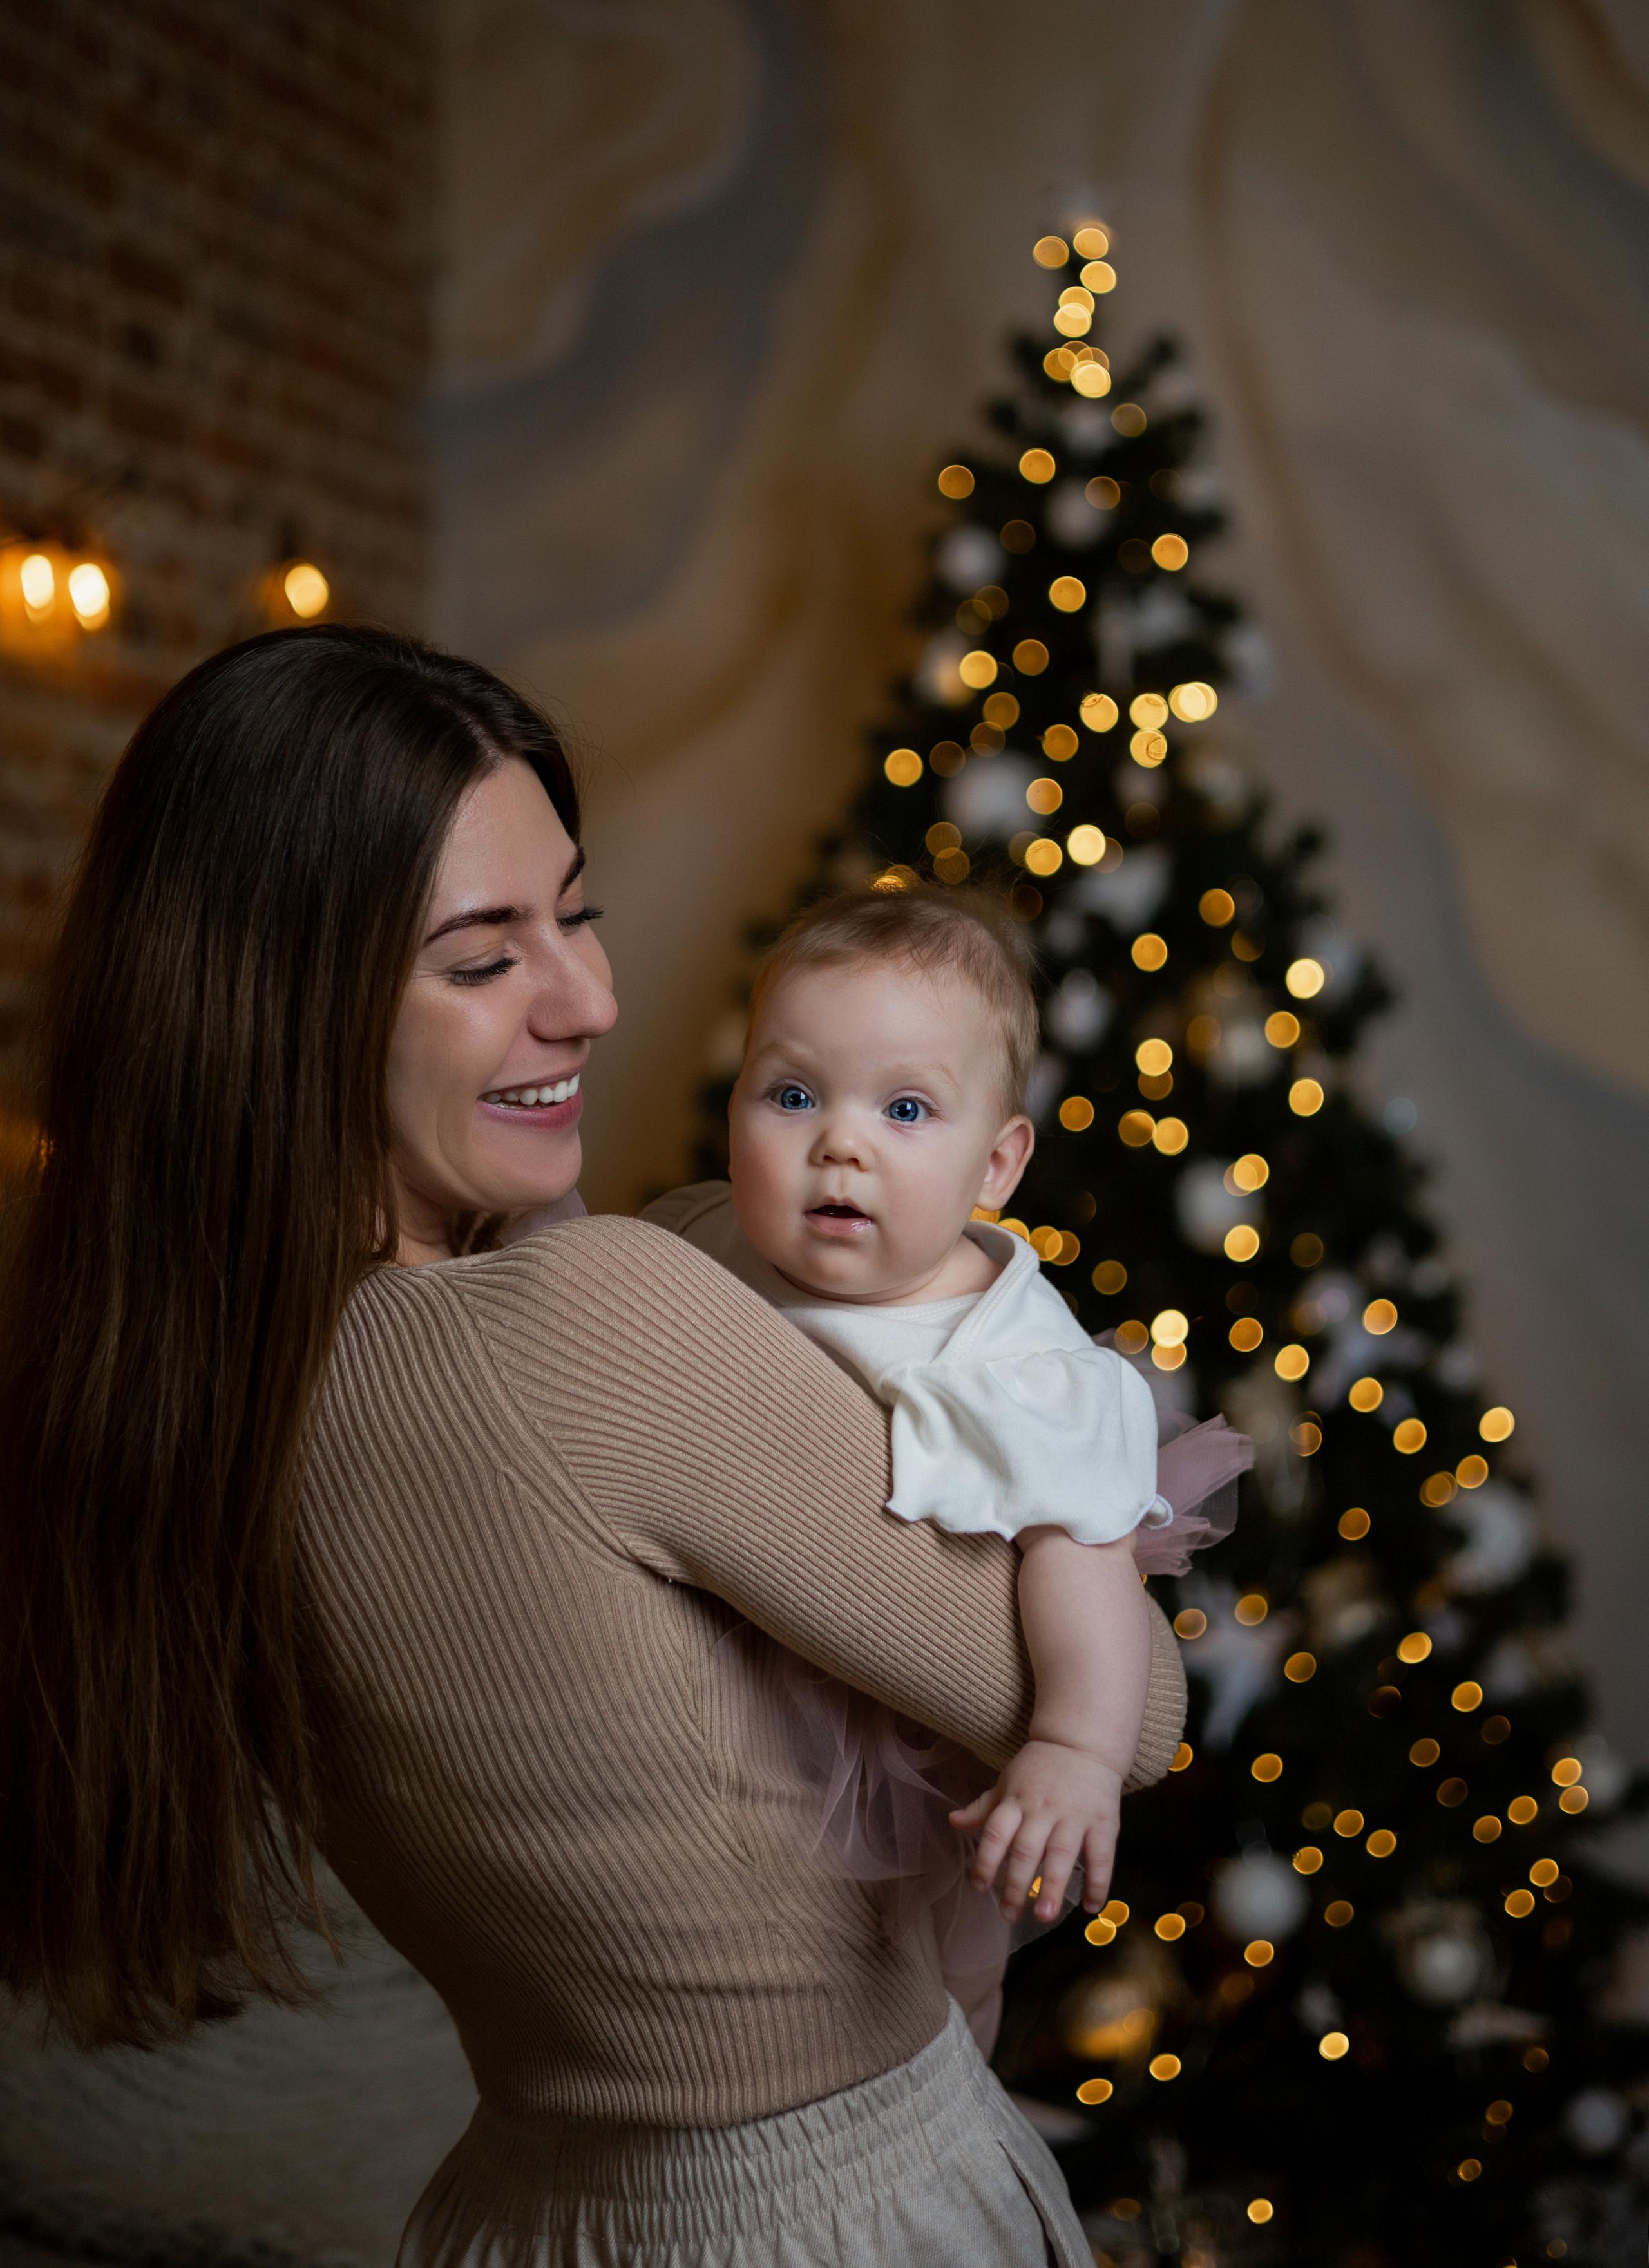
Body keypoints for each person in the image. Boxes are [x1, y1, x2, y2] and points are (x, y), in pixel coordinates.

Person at [0, 625, 1188, 2268]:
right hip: (823, 2219)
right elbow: (1130, 1727)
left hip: (526, 2208)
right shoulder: (586, 1330)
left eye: (576, 913)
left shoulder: (180, 1384)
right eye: (483, 958)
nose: (593, 999)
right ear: (293, 998)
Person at [642, 885, 1247, 2051]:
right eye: (793, 1093)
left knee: (928, 1993)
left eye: (907, 1108)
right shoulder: (710, 1235)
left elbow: (1086, 1566)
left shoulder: (1018, 1367)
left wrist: (1072, 1748)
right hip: (720, 1667)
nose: (841, 1142)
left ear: (998, 1162)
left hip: (908, 1750)